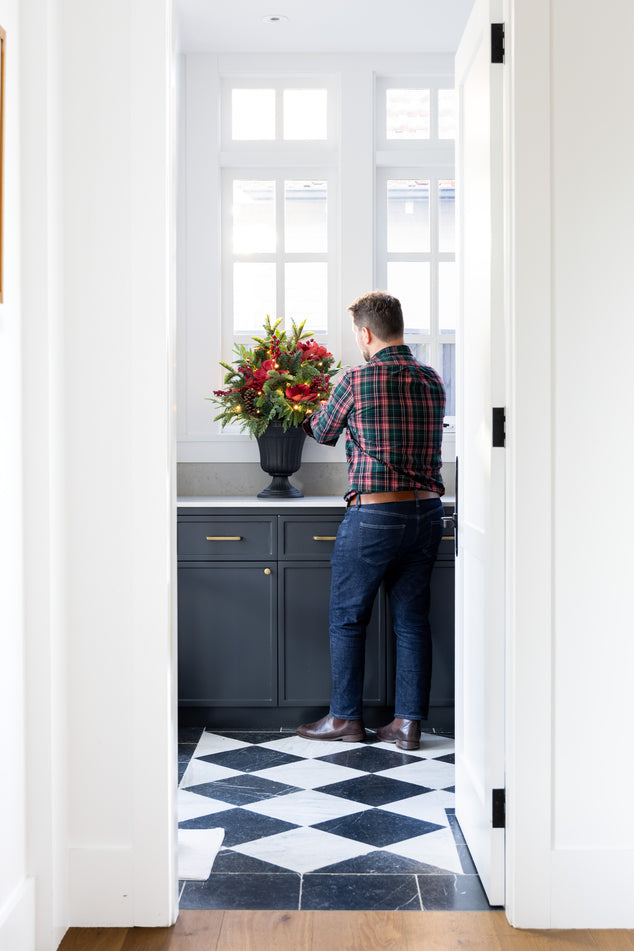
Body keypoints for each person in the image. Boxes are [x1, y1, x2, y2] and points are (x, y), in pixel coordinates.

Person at [296, 291, 446, 751]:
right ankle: (406, 725)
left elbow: (322, 432)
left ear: (364, 333)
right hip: (426, 510)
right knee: (412, 621)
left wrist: (304, 410)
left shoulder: (356, 378)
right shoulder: (433, 379)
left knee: (347, 618)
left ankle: (345, 718)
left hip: (376, 512)